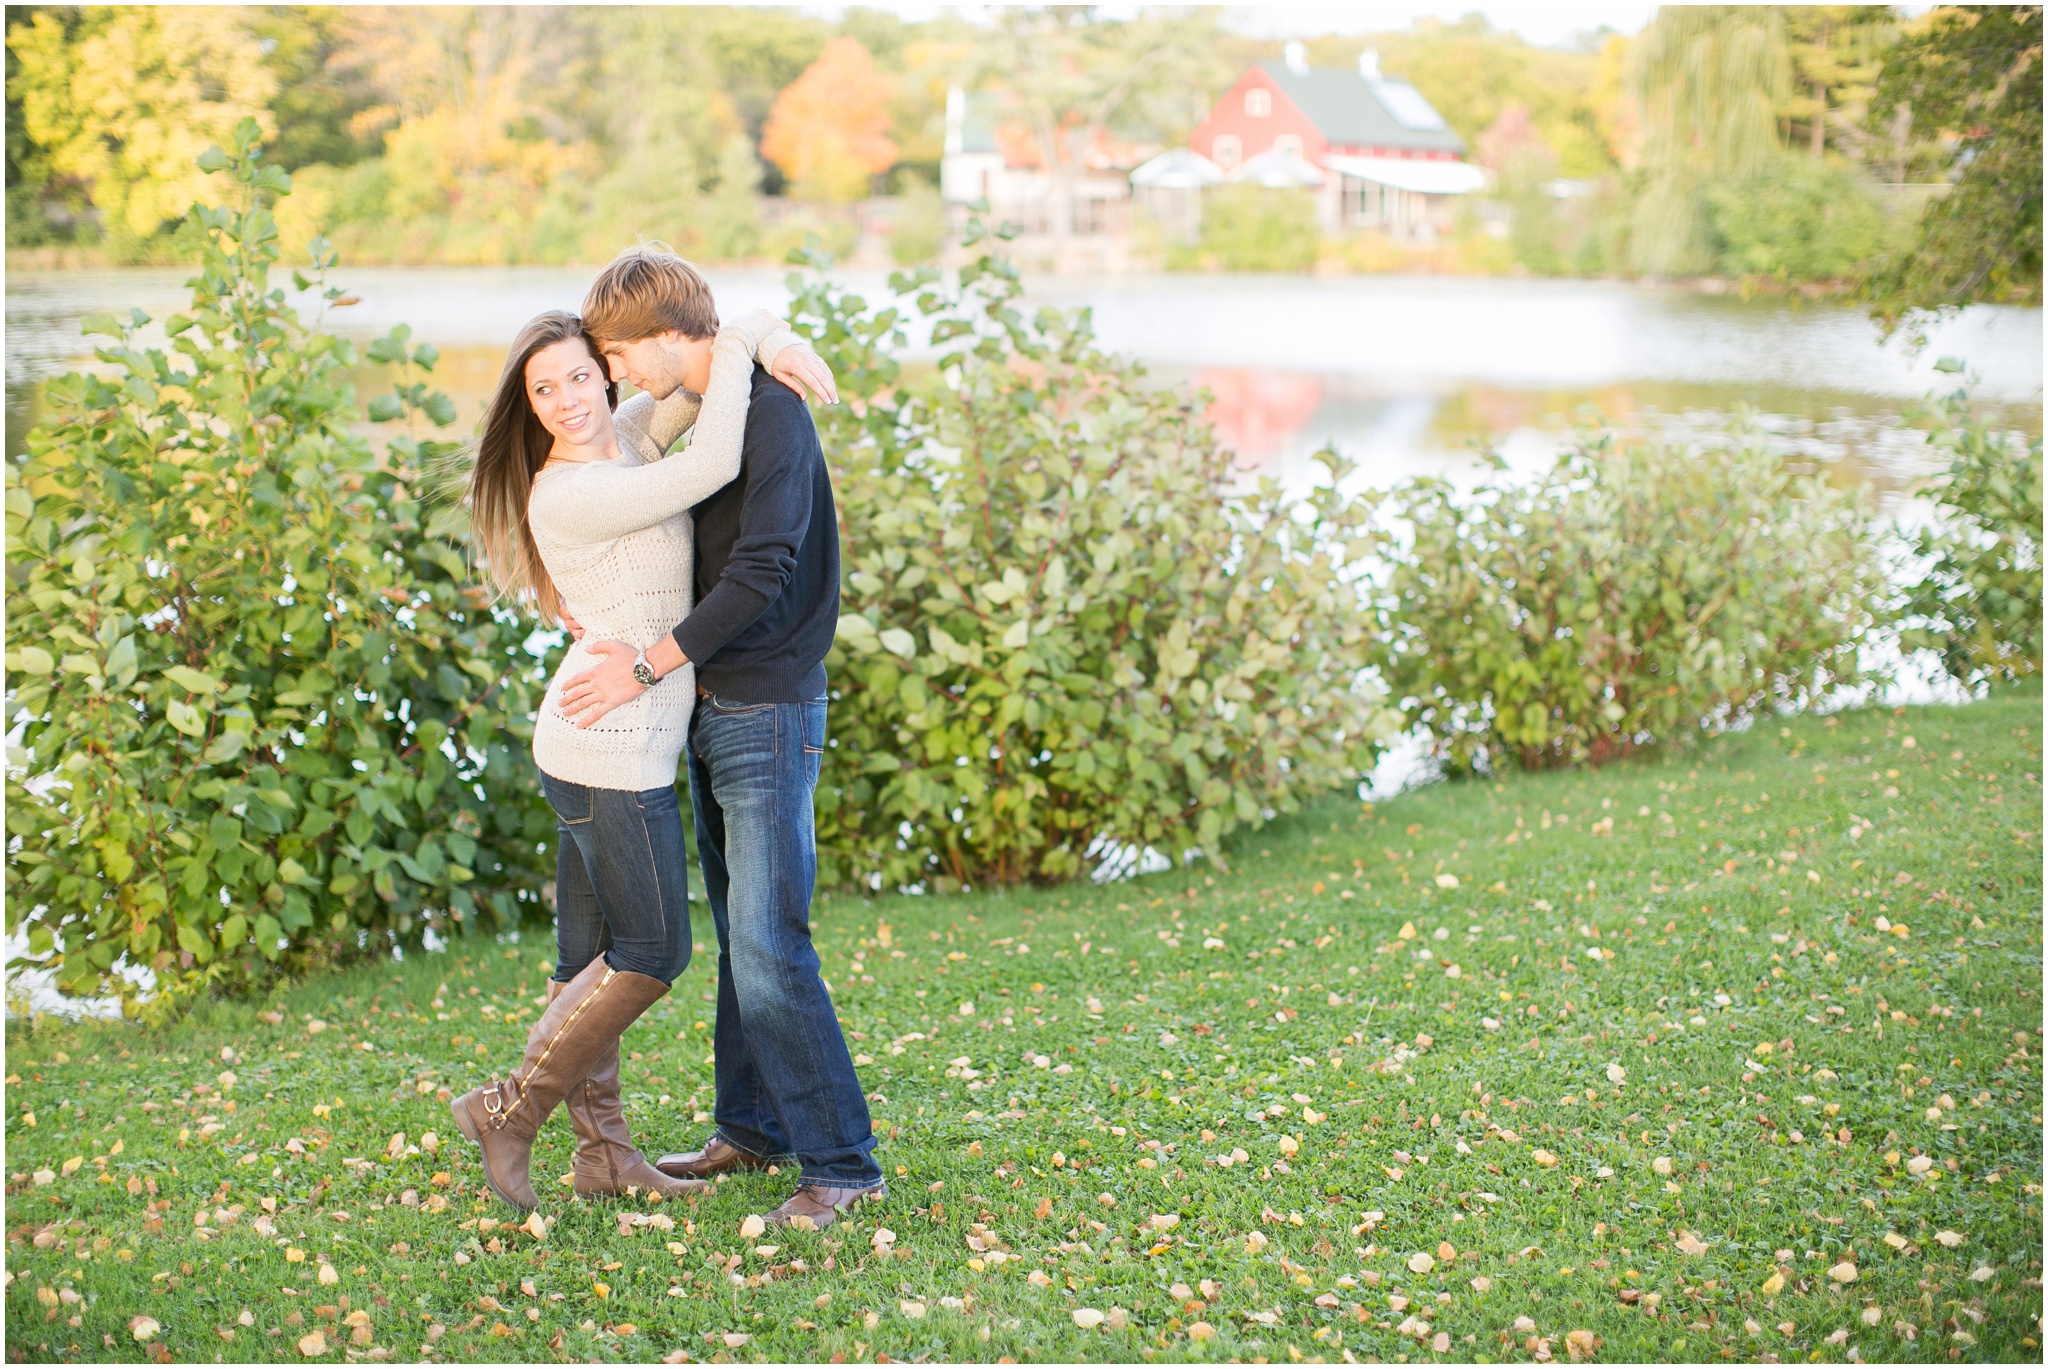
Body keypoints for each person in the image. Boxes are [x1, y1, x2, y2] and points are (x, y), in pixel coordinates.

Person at [449, 300, 834, 1212]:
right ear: (526, 403)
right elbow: (712, 457)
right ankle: (511, 1109)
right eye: (544, 388)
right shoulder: (571, 490)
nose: (568, 399)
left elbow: (687, 366)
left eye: (581, 373)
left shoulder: (624, 436)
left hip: (615, 740)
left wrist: (763, 337)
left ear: (607, 371)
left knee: (584, 957)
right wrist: (746, 341)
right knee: (654, 951)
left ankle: (604, 1157)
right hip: (605, 748)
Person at [557, 244, 884, 1230]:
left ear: (664, 336)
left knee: (770, 940)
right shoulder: (698, 415)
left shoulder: (772, 413)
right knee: (743, 938)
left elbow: (762, 573)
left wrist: (646, 662)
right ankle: (749, 1129)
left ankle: (843, 1165)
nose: (614, 374)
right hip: (707, 702)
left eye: (617, 354)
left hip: (767, 707)